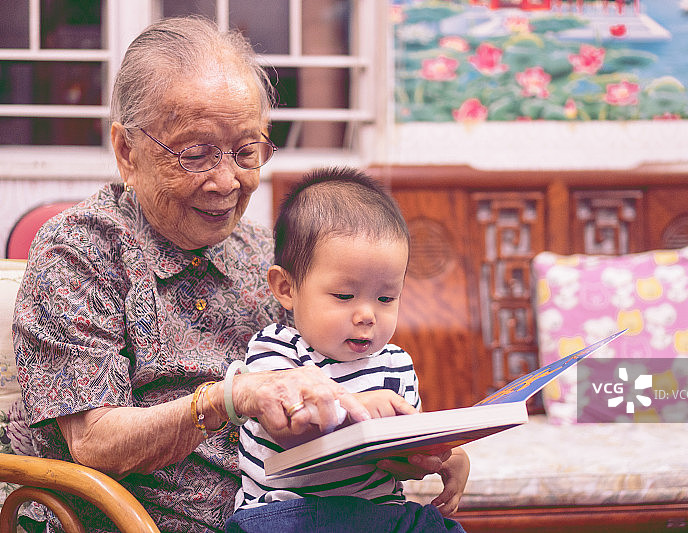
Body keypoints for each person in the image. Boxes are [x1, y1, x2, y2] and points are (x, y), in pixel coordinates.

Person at [13, 17, 453, 533]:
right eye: (195, 154)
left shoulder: (263, 253)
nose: (226, 182)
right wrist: (229, 397)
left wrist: (420, 450)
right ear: (126, 151)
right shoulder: (81, 253)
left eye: (246, 153)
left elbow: (331, 395)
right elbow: (94, 441)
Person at [226, 168, 470, 533]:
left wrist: (444, 455)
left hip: (381, 513)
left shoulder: (396, 364)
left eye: (386, 297)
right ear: (286, 287)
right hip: (289, 515)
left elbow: (406, 450)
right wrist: (355, 411)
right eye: (344, 296)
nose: (367, 315)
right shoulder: (276, 349)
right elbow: (289, 428)